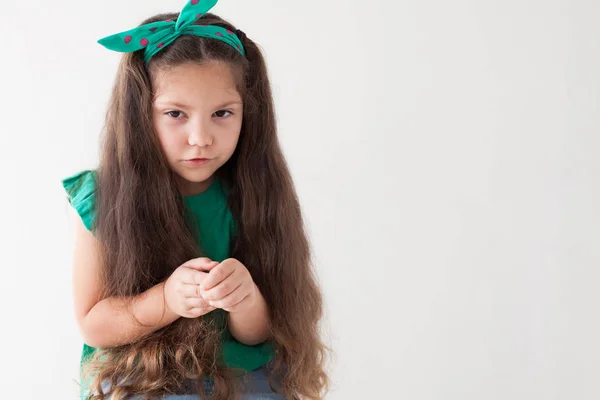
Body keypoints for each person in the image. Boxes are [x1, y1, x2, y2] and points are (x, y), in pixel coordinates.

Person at [61, 1, 329, 398]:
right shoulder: (105, 198)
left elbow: (259, 335)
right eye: (175, 114)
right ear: (139, 117)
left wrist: (245, 299)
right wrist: (166, 300)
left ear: (248, 113)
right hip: (145, 372)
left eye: (222, 113)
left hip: (239, 373)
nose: (200, 137)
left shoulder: (254, 194)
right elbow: (95, 324)